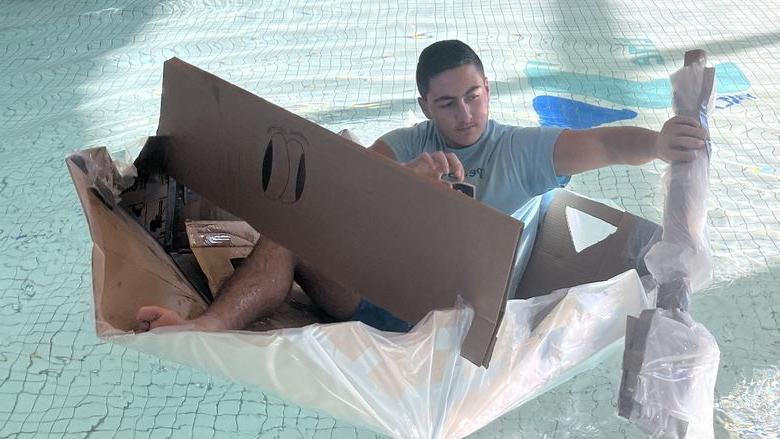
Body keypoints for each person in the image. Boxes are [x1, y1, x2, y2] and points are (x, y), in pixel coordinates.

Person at [135, 40, 707, 333]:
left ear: (487, 88)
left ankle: (259, 292)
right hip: (372, 298)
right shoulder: (405, 143)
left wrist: (657, 144)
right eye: (447, 103)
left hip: (452, 319)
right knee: (293, 228)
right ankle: (206, 327)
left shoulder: (522, 150)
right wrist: (404, 184)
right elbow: (335, 206)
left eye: (474, 95)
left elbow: (606, 144)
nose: (465, 114)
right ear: (424, 105)